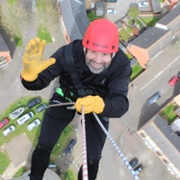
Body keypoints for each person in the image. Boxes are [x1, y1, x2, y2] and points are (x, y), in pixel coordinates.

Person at [20, 18, 132, 180]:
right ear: (85, 47)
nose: (98, 60)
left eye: (105, 55)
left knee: (92, 160)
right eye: (93, 51)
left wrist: (100, 105)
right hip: (66, 97)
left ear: (114, 53)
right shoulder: (68, 53)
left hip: (97, 106)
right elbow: (41, 81)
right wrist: (29, 78)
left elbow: (121, 104)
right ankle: (35, 177)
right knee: (44, 145)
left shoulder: (121, 65)